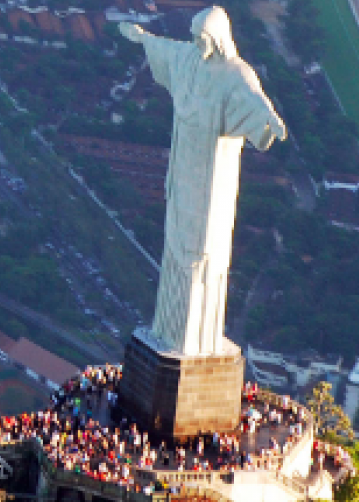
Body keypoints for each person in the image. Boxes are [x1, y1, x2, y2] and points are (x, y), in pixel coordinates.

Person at [120, 8, 286, 356]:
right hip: (184, 164)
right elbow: (166, 48)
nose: (198, 45)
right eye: (196, 38)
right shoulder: (189, 58)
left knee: (203, 249)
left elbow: (255, 99)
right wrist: (141, 37)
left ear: (220, 39)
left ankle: (196, 336)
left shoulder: (236, 74)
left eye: (204, 40)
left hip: (212, 174)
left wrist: (269, 117)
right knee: (176, 244)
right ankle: (169, 327)